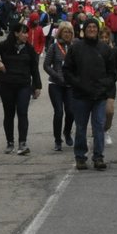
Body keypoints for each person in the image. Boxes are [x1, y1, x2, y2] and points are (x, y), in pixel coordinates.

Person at [64, 17, 117, 171]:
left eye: (94, 27)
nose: (91, 29)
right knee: (81, 128)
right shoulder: (76, 47)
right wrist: (77, 83)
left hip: (99, 96)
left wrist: (106, 84)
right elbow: (67, 70)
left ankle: (98, 157)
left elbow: (113, 71)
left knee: (98, 127)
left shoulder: (105, 49)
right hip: (80, 96)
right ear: (84, 29)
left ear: (97, 29)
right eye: (89, 27)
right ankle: (80, 157)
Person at [0, 21, 41, 155]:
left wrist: (37, 86)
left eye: (27, 32)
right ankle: (10, 142)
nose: (26, 35)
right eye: (23, 32)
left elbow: (34, 69)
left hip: (24, 85)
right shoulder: (5, 46)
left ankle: (22, 143)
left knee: (22, 112)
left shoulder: (29, 49)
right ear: (16, 33)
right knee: (9, 113)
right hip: (6, 84)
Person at [44, 22, 76, 151]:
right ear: (60, 33)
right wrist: (56, 75)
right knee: (58, 112)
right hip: (56, 84)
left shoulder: (75, 47)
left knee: (70, 111)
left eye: (69, 32)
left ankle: (67, 132)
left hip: (70, 85)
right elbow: (46, 65)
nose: (67, 34)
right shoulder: (54, 47)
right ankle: (57, 140)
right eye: (65, 32)